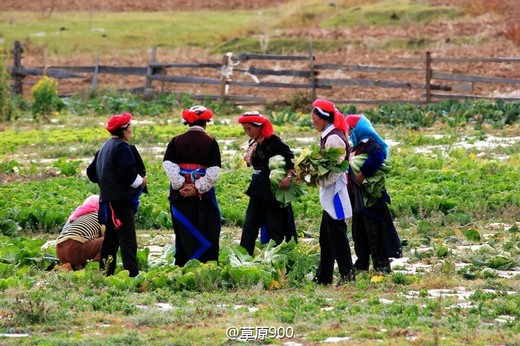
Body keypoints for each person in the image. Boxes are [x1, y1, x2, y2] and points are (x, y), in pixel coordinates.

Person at [87, 112, 147, 277]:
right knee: (127, 239)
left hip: (107, 201)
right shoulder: (121, 146)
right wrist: (140, 182)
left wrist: (106, 181)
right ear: (124, 130)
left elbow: (91, 173)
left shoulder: (104, 147)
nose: (131, 131)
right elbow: (127, 172)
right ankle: (132, 275)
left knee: (111, 239)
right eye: (130, 128)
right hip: (120, 202)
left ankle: (105, 273)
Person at [163, 105, 222, 267]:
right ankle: (205, 263)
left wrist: (182, 184)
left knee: (183, 230)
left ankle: (184, 263)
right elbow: (214, 170)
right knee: (208, 227)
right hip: (203, 195)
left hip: (179, 193)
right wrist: (196, 187)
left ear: (187, 123)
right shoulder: (211, 142)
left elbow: (168, 164)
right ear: (206, 123)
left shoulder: (176, 141)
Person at [345, 114, 402, 274]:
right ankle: (362, 263)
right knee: (359, 232)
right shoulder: (355, 147)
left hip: (371, 198)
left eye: (349, 129)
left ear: (357, 129)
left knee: (374, 232)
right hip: (358, 197)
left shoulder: (370, 144)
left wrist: (363, 174)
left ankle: (381, 265)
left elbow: (378, 157)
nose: (348, 132)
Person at [237, 111, 297, 256]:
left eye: (249, 129)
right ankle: (244, 255)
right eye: (245, 129)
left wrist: (288, 177)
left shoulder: (273, 141)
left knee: (274, 223)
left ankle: (278, 256)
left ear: (259, 127)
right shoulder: (254, 142)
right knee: (250, 223)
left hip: (271, 187)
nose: (247, 132)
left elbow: (289, 157)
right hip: (258, 186)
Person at [310, 99, 355, 286]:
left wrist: (318, 179)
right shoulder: (329, 135)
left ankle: (348, 275)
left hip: (335, 192)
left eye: (314, 118)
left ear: (324, 118)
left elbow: (336, 169)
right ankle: (324, 276)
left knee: (337, 235)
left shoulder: (334, 138)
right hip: (329, 191)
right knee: (326, 236)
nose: (312, 122)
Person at [56, 195, 104, 270]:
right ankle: (95, 268)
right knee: (109, 240)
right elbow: (106, 235)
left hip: (60, 252)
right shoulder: (98, 215)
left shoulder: (75, 215)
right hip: (74, 249)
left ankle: (75, 266)